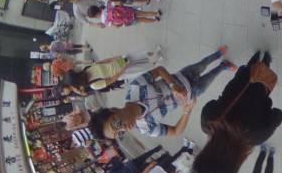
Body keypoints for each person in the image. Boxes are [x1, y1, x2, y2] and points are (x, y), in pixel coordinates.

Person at [91, 48, 235, 141]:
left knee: (202, 64)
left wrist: (173, 85)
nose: (124, 128)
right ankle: (223, 66)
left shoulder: (135, 88)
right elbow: (175, 131)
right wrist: (186, 112)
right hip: (192, 93)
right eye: (120, 133)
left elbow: (159, 70)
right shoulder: (146, 128)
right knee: (211, 77)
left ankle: (216, 55)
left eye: (116, 124)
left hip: (182, 76)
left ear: (113, 110)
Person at [192, 51, 282, 173]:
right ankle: (256, 56)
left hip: (261, 87)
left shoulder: (256, 137)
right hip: (239, 82)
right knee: (250, 68)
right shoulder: (207, 122)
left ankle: (266, 59)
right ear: (203, 153)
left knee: (263, 70)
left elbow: (278, 115)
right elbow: (210, 104)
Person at [85, 1, 161, 27]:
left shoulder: (104, 20)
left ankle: (155, 20)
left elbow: (116, 26)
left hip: (127, 20)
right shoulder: (105, 6)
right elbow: (119, 3)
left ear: (95, 17)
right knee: (143, 13)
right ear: (97, 7)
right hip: (127, 11)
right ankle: (157, 13)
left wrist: (122, 22)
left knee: (142, 20)